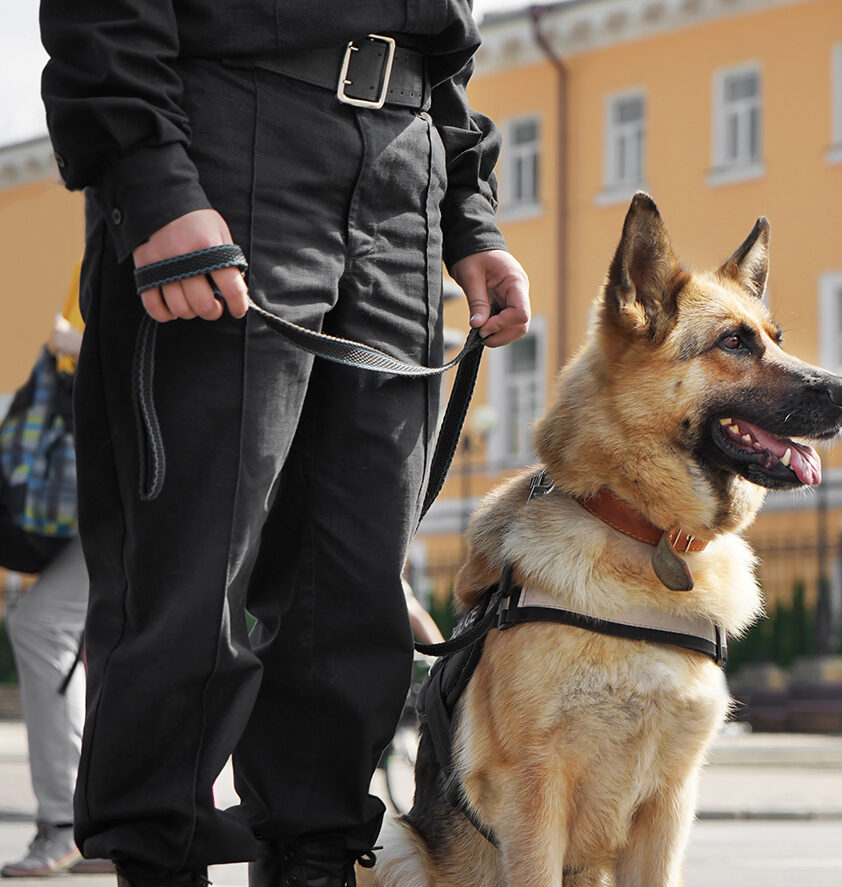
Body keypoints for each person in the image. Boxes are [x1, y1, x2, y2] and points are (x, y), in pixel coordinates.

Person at [39, 3, 530, 887]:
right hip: (225, 133)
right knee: (192, 565)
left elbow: (446, 50)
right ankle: (158, 861)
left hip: (405, 166)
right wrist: (153, 180)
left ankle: (314, 858)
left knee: (351, 580)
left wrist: (467, 212)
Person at [1, 286, 112, 878]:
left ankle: (76, 824)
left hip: (147, 483)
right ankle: (101, 825)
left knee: (42, 624)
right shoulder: (97, 248)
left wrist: (72, 342)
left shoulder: (149, 226)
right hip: (107, 486)